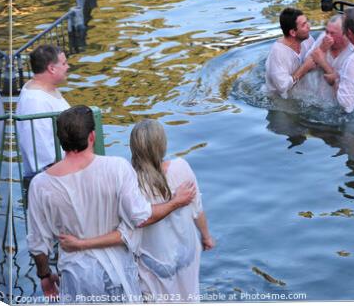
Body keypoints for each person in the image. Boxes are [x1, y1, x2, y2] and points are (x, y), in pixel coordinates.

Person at [26, 106, 197, 303]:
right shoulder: (117, 168)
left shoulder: (40, 185)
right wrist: (175, 202)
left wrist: (45, 276)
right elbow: (141, 217)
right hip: (118, 274)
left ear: (60, 140)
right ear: (92, 136)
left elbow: (38, 245)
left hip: (76, 275)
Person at [59, 119, 214, 303]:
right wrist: (206, 237)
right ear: (162, 144)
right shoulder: (181, 167)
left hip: (154, 265)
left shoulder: (130, 183)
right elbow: (197, 209)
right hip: (186, 255)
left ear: (134, 147)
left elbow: (126, 233)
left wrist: (81, 244)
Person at [15, 45, 71, 196]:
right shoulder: (35, 102)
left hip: (62, 176)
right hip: (51, 185)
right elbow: (43, 155)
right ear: (52, 68)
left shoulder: (48, 88)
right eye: (64, 63)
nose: (68, 67)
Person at [292, 15, 354, 105]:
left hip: (336, 100)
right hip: (312, 95)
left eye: (333, 33)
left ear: (346, 34)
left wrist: (323, 62)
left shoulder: (353, 50)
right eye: (327, 32)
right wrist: (322, 49)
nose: (328, 36)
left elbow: (345, 85)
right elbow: (306, 62)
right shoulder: (323, 38)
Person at [265, 7, 317, 99]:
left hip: (302, 93)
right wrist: (304, 68)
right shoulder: (278, 53)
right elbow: (282, 87)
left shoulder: (308, 39)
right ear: (293, 32)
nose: (309, 26)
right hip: (279, 99)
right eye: (304, 25)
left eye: (307, 21)